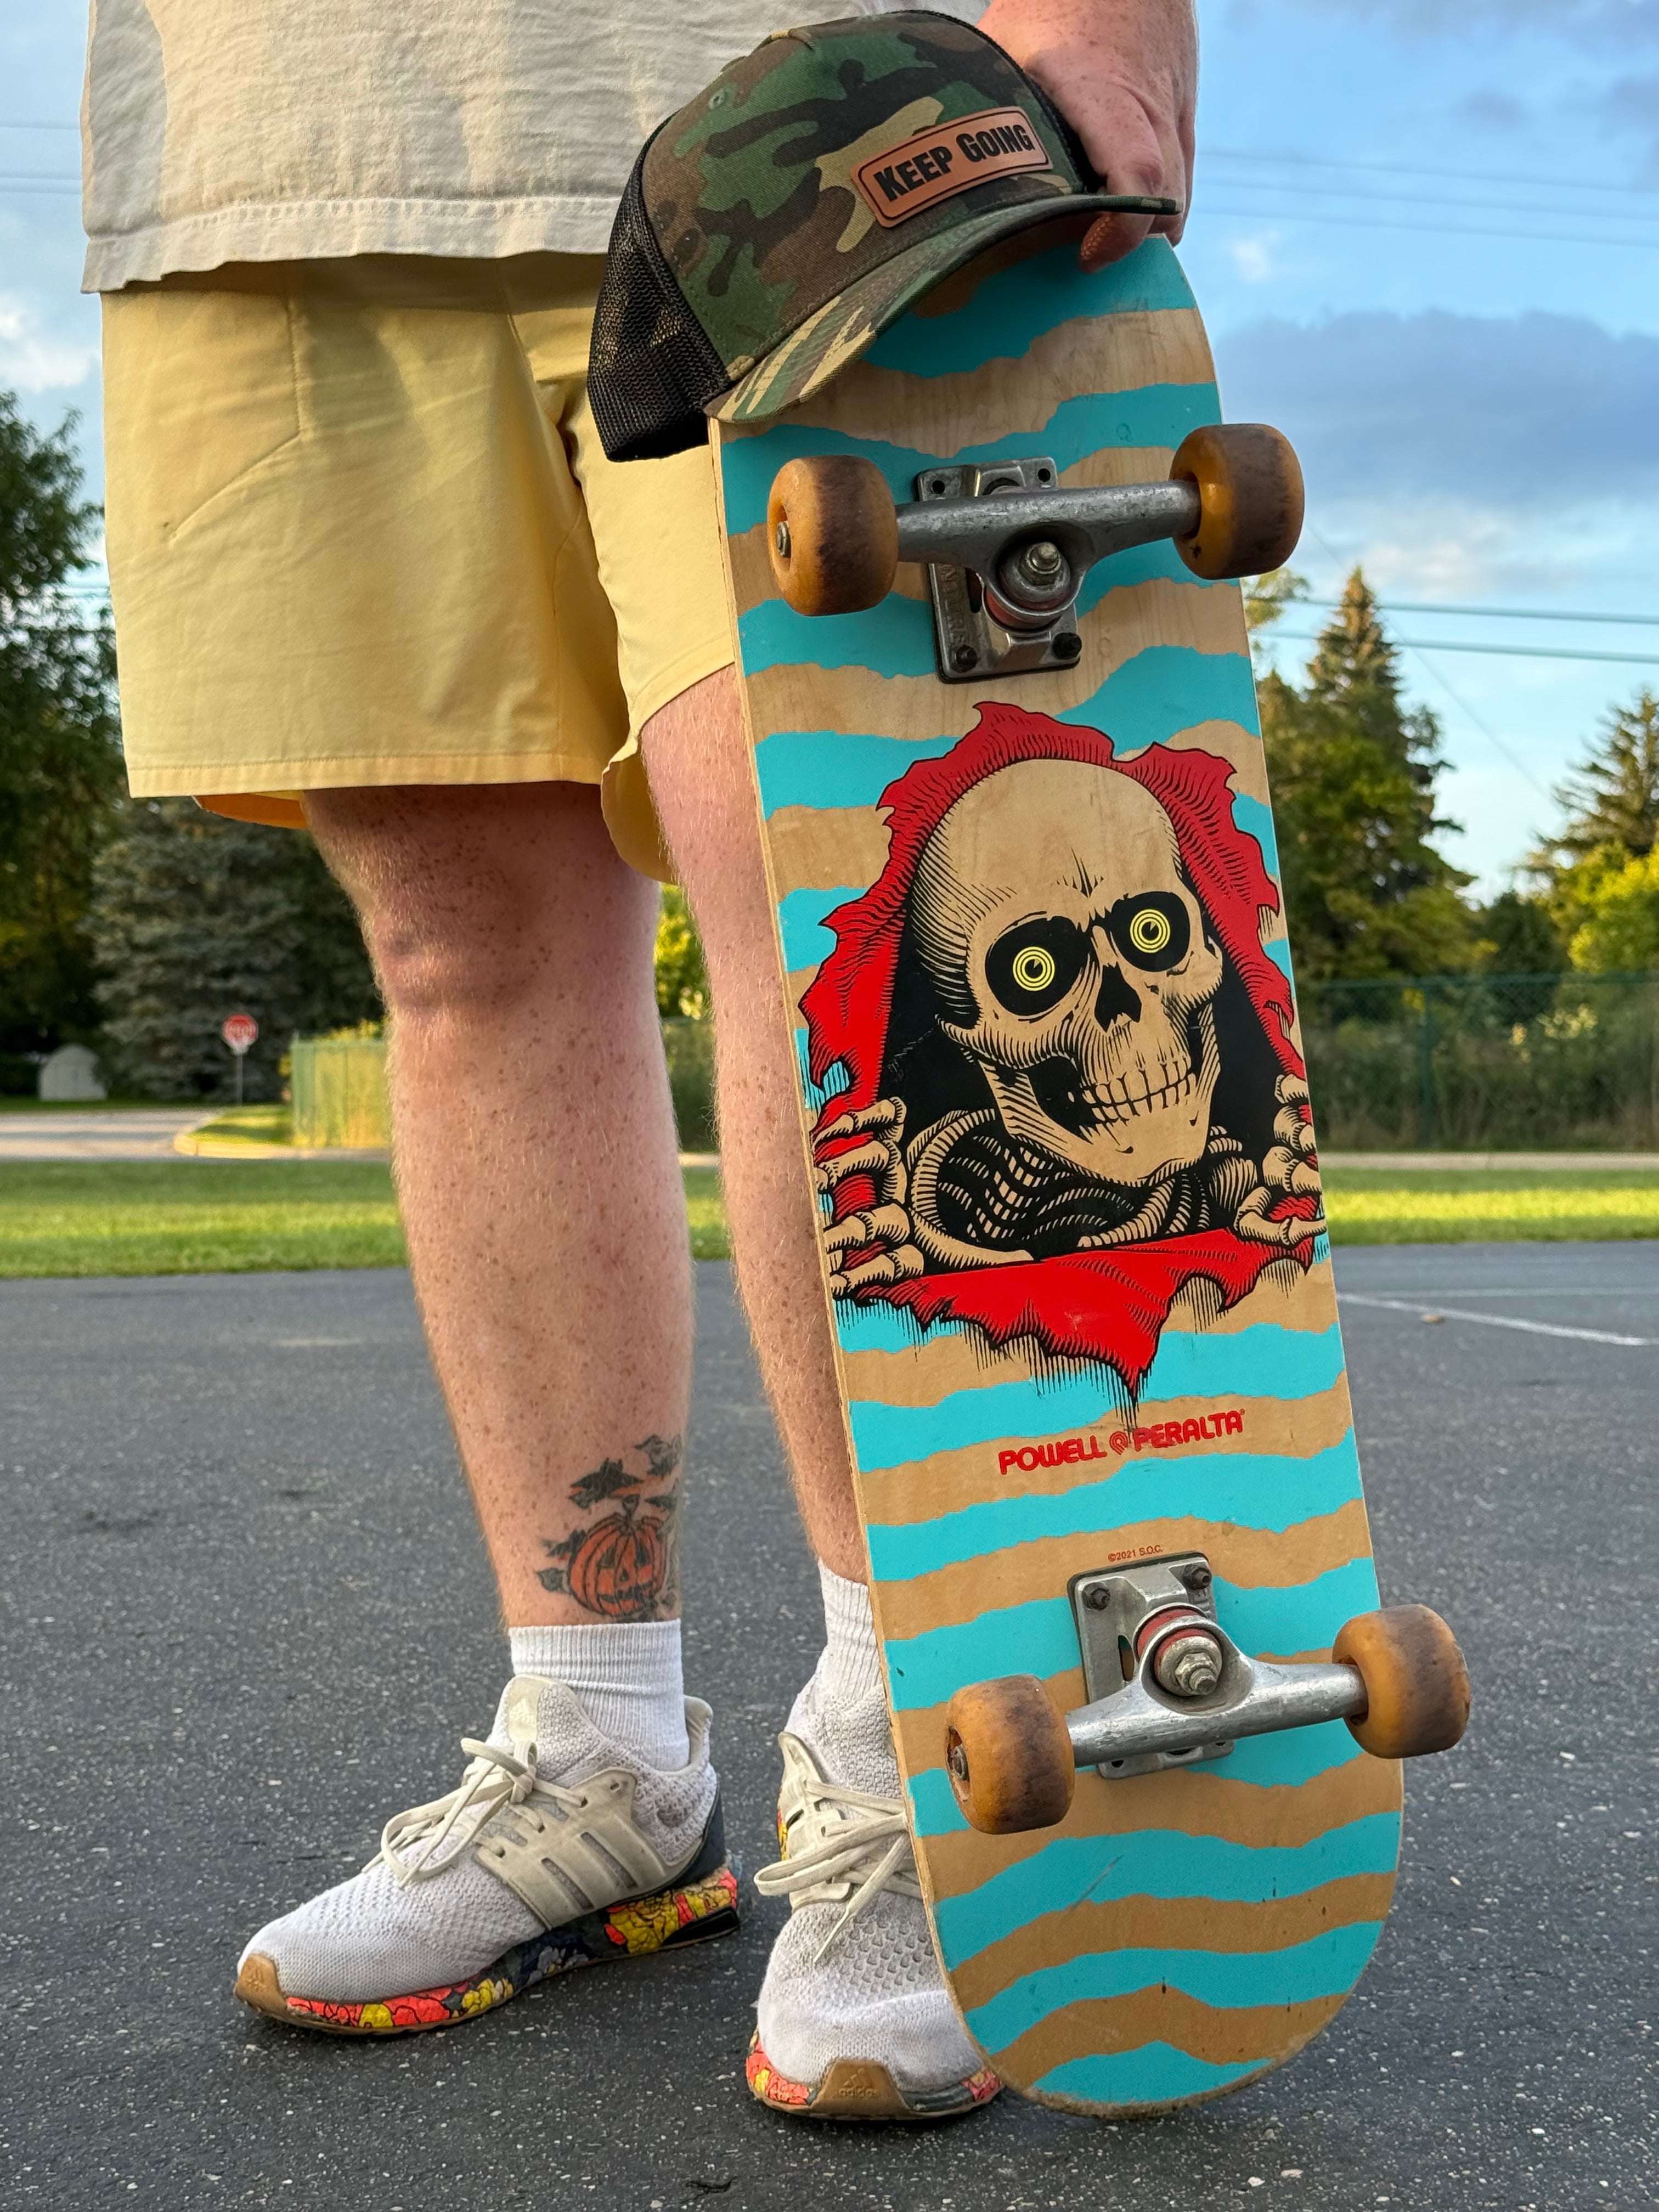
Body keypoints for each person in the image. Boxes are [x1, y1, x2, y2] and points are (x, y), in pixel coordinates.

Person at [83, 0, 1195, 2119]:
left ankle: (933, 1730)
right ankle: (599, 1747)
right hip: (266, 158)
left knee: (848, 877)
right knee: (456, 946)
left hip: (790, 122)